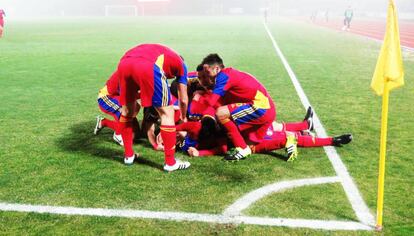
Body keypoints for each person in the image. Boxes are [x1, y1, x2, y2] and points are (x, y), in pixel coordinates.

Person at [116, 44, 190, 172]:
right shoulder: (181, 65)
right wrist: (183, 117)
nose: (169, 78)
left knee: (127, 112)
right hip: (148, 66)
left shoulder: (164, 53)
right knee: (167, 114)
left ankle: (128, 156)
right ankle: (170, 163)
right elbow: (183, 99)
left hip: (124, 63)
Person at [94, 70, 140, 146]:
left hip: (117, 97)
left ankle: (103, 122)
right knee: (125, 118)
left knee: (136, 134)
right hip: (106, 97)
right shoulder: (126, 73)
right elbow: (125, 95)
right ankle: (117, 134)